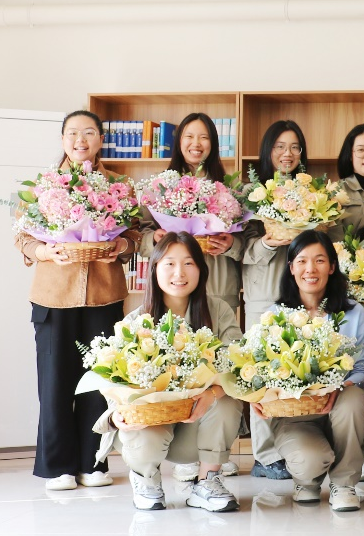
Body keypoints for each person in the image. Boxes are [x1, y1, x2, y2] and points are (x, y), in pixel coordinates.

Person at [16, 110, 140, 491]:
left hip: (104, 297)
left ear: (100, 139)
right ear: (62, 139)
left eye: (89, 132)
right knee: (55, 383)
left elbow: (135, 234)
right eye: (72, 133)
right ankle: (57, 466)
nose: (80, 140)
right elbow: (23, 236)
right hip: (53, 297)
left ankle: (94, 462)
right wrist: (44, 251)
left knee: (100, 383)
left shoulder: (119, 186)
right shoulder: (43, 186)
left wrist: (122, 245)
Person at [94, 232, 242, 511]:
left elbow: (237, 366)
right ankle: (145, 479)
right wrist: (117, 415)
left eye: (188, 263)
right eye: (169, 264)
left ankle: (207, 482)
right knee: (135, 412)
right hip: (152, 429)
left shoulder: (219, 311)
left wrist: (211, 394)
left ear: (201, 269)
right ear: (154, 269)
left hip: (195, 429)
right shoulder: (135, 321)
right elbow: (114, 381)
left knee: (228, 399)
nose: (179, 273)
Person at [139, 112, 244, 481]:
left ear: (214, 143)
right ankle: (186, 451)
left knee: (216, 358)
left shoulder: (229, 189)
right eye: (189, 137)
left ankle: (213, 449)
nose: (196, 144)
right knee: (174, 358)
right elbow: (141, 233)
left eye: (204, 138)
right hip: (175, 282)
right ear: (178, 142)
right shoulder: (159, 189)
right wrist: (154, 239)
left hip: (218, 281)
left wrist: (231, 244)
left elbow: (247, 239)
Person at [253, 230, 364, 511]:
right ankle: (306, 481)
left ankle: (344, 483)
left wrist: (339, 388)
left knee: (355, 400)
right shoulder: (275, 315)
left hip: (340, 406)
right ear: (291, 267)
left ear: (331, 267)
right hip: (295, 415)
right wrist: (256, 395)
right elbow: (259, 368)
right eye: (302, 261)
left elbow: (362, 368)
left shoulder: (354, 313)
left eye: (319, 260)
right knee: (309, 461)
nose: (310, 269)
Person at [241, 120, 308, 480]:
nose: (288, 153)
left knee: (298, 369)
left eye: (295, 146)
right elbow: (237, 249)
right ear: (268, 151)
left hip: (302, 290)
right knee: (263, 372)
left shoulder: (309, 192)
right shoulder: (251, 193)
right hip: (263, 289)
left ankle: (294, 449)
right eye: (280, 146)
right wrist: (268, 241)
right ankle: (265, 456)